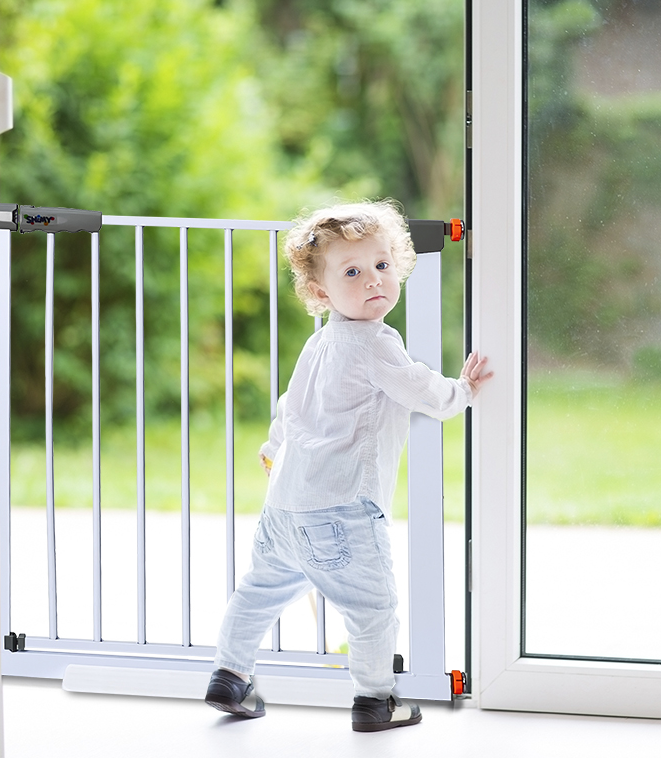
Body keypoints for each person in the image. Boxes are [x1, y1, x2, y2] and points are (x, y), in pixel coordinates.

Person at [205, 200, 492, 732]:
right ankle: (374, 701)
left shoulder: (318, 343)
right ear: (321, 292)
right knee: (371, 608)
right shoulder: (376, 342)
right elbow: (423, 391)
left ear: (399, 267)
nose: (372, 282)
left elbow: (289, 408)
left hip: (285, 506)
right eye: (352, 273)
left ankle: (230, 674)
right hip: (341, 509)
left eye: (382, 266)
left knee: (259, 590)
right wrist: (465, 390)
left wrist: (273, 449)